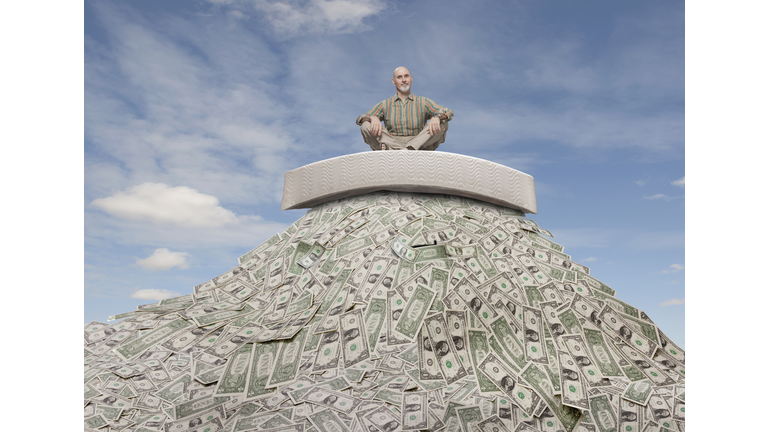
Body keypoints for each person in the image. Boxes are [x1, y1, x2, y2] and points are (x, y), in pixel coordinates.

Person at [357, 67, 453, 151]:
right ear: (394, 82)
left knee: (443, 122)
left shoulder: (423, 101)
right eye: (399, 77)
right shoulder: (385, 104)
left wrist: (436, 117)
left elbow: (448, 112)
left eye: (406, 76)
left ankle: (409, 149)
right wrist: (372, 118)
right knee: (365, 125)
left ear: (411, 79)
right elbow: (360, 118)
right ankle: (397, 149)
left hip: (419, 144)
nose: (403, 80)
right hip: (392, 142)